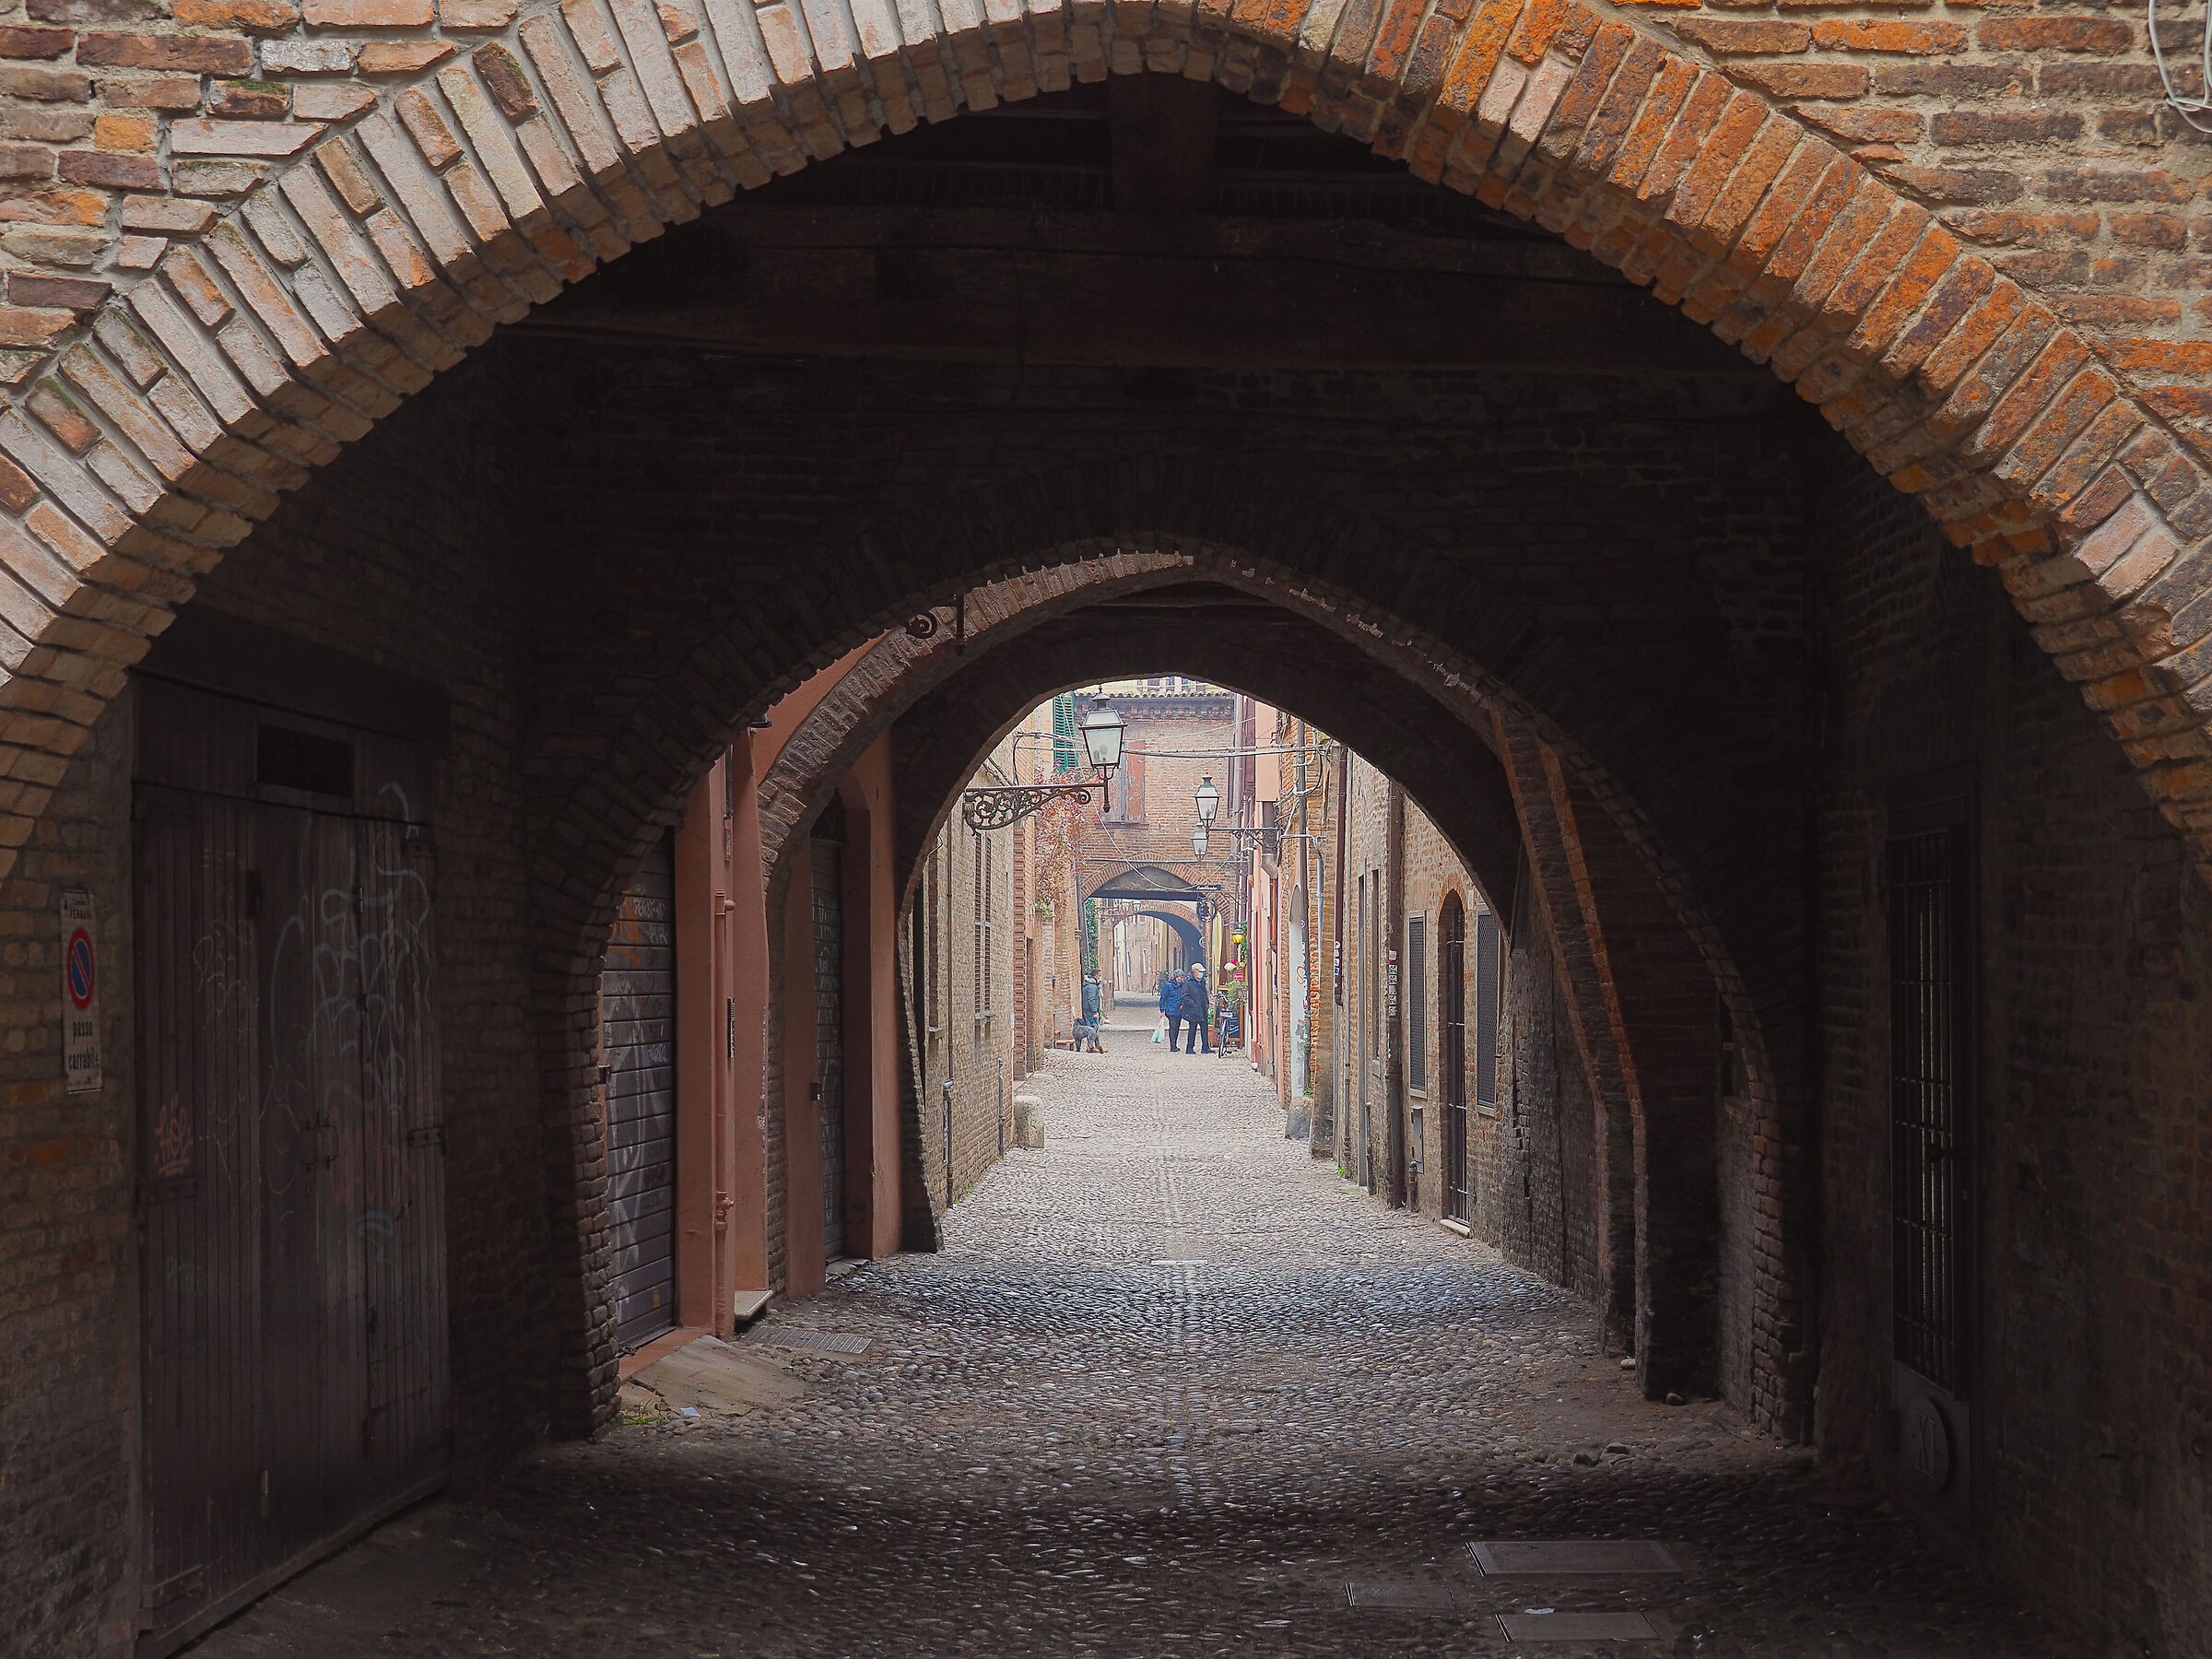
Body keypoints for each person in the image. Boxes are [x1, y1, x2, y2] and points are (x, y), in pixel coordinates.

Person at [1177, 963, 1212, 1054]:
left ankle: (1205, 1047)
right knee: (1192, 1029)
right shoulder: (1188, 982)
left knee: (1204, 1028)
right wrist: (1194, 1004)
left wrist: (1206, 1003)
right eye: (1200, 972)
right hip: (1193, 1010)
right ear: (1194, 972)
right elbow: (1184, 996)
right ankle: (1189, 1048)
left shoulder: (1202, 981)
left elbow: (1204, 993)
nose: (1201, 974)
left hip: (1202, 1009)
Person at [1077, 971, 1104, 1052]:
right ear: (1095, 976)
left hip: (1088, 1011)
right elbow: (1091, 1000)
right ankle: (1091, 1046)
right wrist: (1094, 1012)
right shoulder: (1092, 987)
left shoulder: (1088, 985)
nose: (1099, 978)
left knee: (1092, 1028)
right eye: (1099, 976)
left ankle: (1093, 1046)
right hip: (1091, 1013)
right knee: (1094, 1027)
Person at [1160, 971, 1185, 1052]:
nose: (1182, 979)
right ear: (1176, 977)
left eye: (1182, 977)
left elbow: (1183, 996)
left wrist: (1183, 1004)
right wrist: (1162, 1010)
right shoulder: (1168, 985)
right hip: (1171, 1009)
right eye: (1180, 977)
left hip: (1179, 1010)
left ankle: (1175, 1044)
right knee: (1173, 1026)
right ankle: (1172, 1045)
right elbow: (1163, 998)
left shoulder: (1182, 985)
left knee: (1177, 1027)